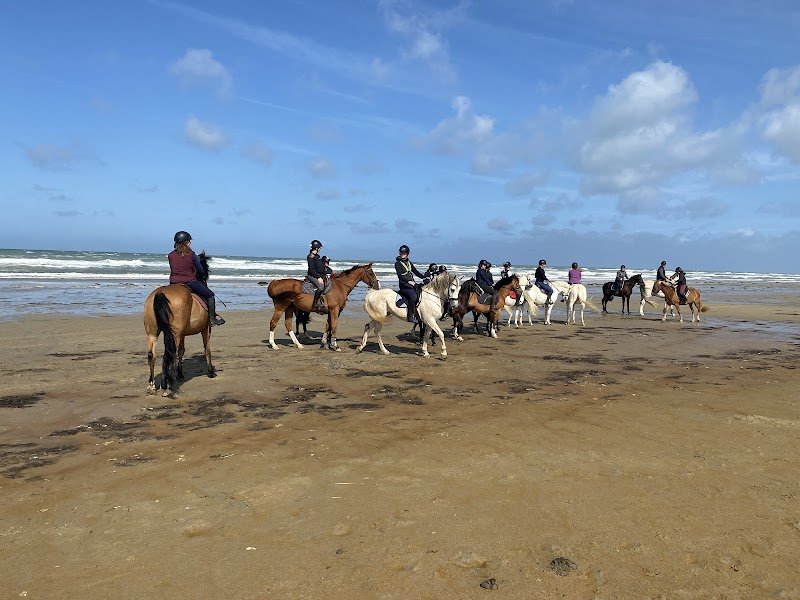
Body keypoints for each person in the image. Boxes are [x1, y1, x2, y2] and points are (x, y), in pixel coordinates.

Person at [168, 230, 225, 326]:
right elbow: (201, 270)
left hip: (173, 283)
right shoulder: (192, 255)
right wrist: (201, 275)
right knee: (210, 295)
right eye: (189, 241)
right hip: (189, 282)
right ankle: (212, 319)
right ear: (186, 242)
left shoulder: (170, 255)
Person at [395, 244, 425, 322]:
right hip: (404, 286)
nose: (402, 254)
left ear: (407, 254)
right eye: (401, 253)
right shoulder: (397, 264)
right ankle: (410, 315)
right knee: (413, 297)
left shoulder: (409, 263)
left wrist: (424, 277)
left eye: (404, 253)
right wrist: (409, 281)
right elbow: (400, 276)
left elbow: (416, 272)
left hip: (412, 284)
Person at [306, 239, 328, 312]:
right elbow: (312, 270)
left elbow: (320, 268)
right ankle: (314, 304)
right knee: (321, 287)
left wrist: (326, 273)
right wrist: (318, 278)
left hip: (319, 275)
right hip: (312, 275)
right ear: (316, 248)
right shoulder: (311, 256)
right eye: (320, 247)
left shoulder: (317, 256)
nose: (320, 249)